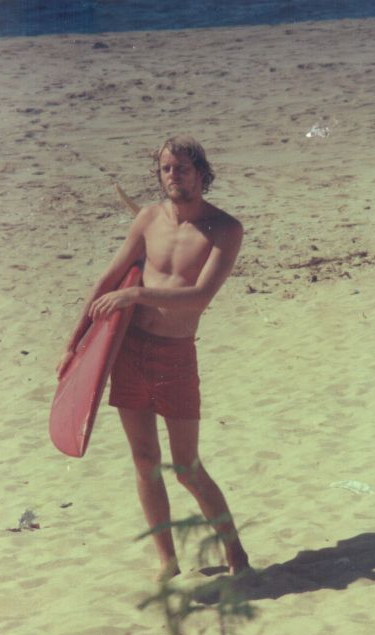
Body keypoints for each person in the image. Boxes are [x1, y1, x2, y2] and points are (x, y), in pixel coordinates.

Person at [57, 136, 249, 580]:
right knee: (144, 460)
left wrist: (136, 292)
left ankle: (234, 550)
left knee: (186, 467)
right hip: (129, 351)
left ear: (202, 173)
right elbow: (107, 280)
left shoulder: (225, 230)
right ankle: (167, 559)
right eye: (165, 169)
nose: (173, 175)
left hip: (175, 356)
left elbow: (198, 298)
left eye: (182, 168)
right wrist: (73, 344)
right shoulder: (147, 219)